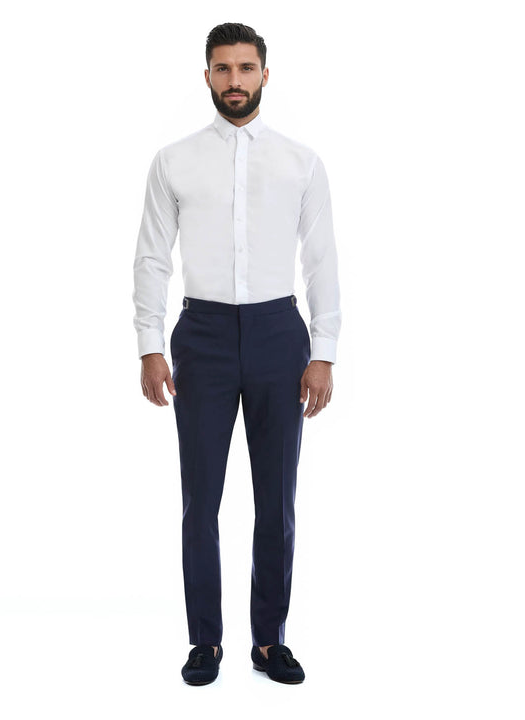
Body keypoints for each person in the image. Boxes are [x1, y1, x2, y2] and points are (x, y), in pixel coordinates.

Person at [132, 22, 341, 685]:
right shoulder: (174, 161)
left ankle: (269, 641)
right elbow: (152, 257)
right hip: (203, 336)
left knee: (277, 500)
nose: (234, 81)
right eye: (222, 69)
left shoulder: (301, 162)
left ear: (264, 75)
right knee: (201, 500)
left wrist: (324, 350)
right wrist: (149, 345)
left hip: (281, 334)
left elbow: (322, 259)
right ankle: (206, 642)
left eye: (246, 68)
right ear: (207, 77)